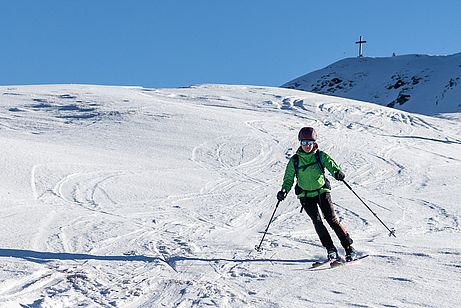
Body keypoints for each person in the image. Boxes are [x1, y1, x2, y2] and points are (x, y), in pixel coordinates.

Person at [276, 127, 357, 261]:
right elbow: (289, 179)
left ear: (314, 143)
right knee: (317, 222)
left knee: (332, 220)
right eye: (304, 143)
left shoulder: (320, 155)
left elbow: (331, 165)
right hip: (305, 196)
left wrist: (337, 172)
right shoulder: (295, 160)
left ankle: (349, 248)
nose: (307, 146)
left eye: (309, 143)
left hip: (322, 192)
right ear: (300, 143)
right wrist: (284, 190)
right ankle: (330, 249)